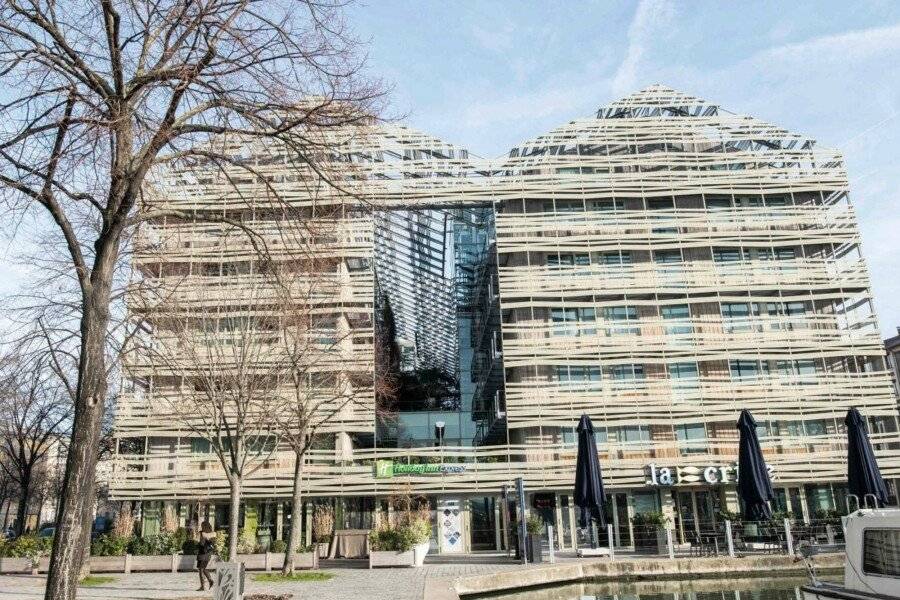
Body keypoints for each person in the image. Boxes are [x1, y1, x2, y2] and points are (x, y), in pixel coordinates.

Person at [196, 521, 216, 591]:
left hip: (202, 554)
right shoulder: (213, 533)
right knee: (204, 568)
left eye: (202, 526)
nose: (201, 527)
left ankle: (202, 586)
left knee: (201, 570)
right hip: (208, 554)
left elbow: (201, 544)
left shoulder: (202, 533)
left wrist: (197, 544)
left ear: (204, 526)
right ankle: (210, 580)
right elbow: (213, 544)